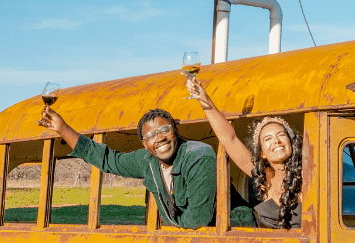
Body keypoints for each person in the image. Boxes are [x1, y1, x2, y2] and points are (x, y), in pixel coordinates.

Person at [38, 105, 226, 230]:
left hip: (230, 236)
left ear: (175, 130)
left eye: (164, 130)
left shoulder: (198, 156)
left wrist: (168, 231)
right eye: (151, 135)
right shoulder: (147, 160)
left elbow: (198, 220)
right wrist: (62, 128)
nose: (159, 138)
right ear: (144, 144)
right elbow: (108, 159)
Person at [186, 76, 302, 229]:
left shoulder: (308, 175)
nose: (276, 141)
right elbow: (229, 139)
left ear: (291, 142)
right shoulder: (264, 179)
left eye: (281, 135)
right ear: (262, 153)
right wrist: (203, 98)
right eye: (268, 138)